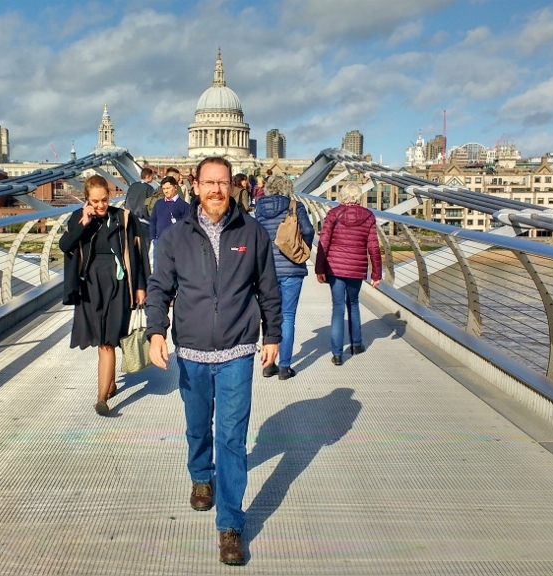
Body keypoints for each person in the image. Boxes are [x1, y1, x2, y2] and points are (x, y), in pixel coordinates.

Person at [145, 156, 281, 566]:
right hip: (191, 350)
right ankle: (201, 476)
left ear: (231, 187)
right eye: (209, 183)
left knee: (233, 440)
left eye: (223, 183)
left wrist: (272, 335)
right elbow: (158, 288)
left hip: (239, 350)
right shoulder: (174, 238)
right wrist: (155, 332)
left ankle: (230, 526)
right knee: (197, 427)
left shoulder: (253, 232)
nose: (217, 190)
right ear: (195, 186)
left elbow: (268, 287)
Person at [60, 175, 147, 415]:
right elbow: (65, 246)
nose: (101, 205)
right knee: (101, 341)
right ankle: (109, 383)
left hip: (118, 285)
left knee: (108, 343)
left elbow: (139, 255)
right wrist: (83, 223)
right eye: (95, 201)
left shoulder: (124, 218)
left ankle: (101, 399)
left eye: (104, 200)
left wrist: (141, 286)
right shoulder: (79, 218)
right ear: (86, 200)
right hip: (90, 287)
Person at [254, 174, 314, 380]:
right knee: (287, 316)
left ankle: (268, 364)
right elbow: (307, 229)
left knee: (268, 316)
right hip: (291, 267)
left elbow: (255, 236)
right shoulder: (294, 206)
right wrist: (302, 246)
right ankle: (284, 367)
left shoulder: (259, 208)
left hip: (266, 270)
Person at [315, 182, 381, 366]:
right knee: (353, 303)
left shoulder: (333, 214)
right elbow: (373, 247)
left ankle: (337, 354)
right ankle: (356, 344)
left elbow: (323, 243)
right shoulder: (368, 216)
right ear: (358, 196)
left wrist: (319, 269)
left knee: (338, 308)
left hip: (334, 268)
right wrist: (376, 274)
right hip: (356, 268)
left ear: (342, 196)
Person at [148, 176, 191, 269]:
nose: (166, 191)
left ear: (175, 187)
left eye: (168, 188)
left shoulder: (184, 206)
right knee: (158, 268)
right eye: (163, 189)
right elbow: (153, 220)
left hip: (176, 242)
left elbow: (187, 225)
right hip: (159, 240)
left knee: (176, 268)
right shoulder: (158, 203)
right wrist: (152, 237)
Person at [124, 167, 157, 271]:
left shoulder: (132, 187)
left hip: (131, 219)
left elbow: (127, 202)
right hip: (144, 221)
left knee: (131, 247)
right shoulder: (149, 189)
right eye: (152, 176)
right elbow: (151, 206)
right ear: (148, 176)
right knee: (144, 248)